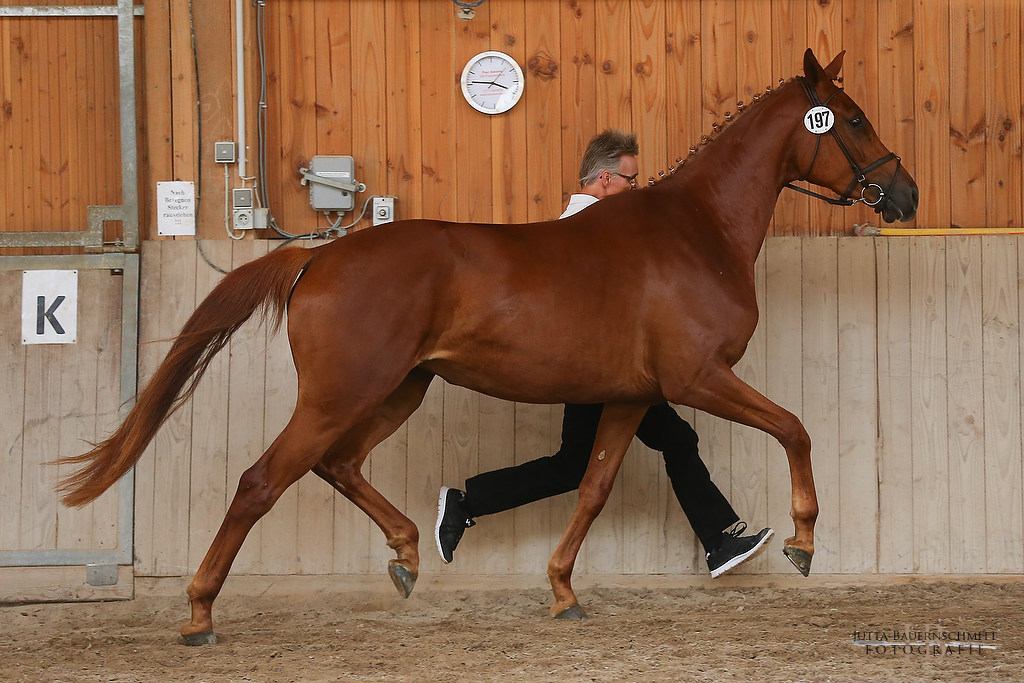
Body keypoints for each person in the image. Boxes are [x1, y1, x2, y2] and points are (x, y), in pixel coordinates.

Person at [436, 129, 773, 578]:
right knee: (642, 449)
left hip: (620, 367)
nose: (638, 190)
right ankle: (719, 540)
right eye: (632, 181)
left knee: (582, 463)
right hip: (594, 366)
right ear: (606, 180)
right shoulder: (586, 229)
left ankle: (466, 503)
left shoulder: (608, 227)